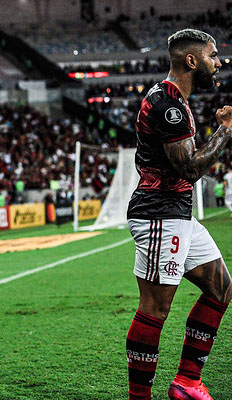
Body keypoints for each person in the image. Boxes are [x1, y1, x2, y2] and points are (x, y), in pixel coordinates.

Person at [126, 29, 232, 400]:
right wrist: (225, 131)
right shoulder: (168, 105)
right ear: (192, 60)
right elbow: (188, 168)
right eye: (213, 55)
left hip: (178, 214)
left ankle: (187, 382)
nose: (218, 62)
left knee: (221, 289)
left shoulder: (176, 100)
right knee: (155, 309)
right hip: (159, 215)